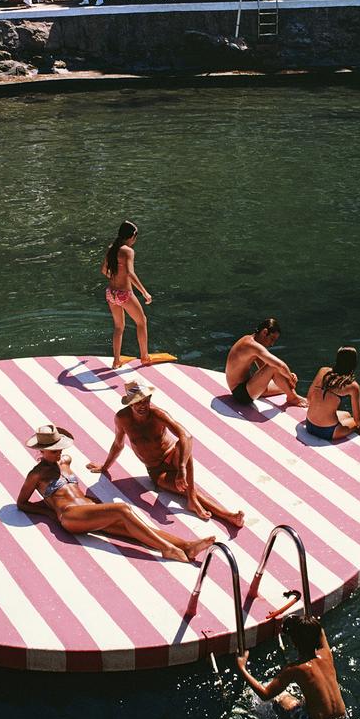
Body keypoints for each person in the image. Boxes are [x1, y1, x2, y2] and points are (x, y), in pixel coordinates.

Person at [16, 423, 216, 563]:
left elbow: (73, 489)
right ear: (41, 451)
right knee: (123, 509)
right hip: (70, 515)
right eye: (52, 450)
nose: (58, 453)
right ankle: (168, 549)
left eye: (58, 448)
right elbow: (22, 503)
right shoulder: (37, 474)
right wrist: (50, 513)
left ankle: (186, 546)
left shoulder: (66, 461)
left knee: (136, 528)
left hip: (89, 509)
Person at [87, 379, 244, 527]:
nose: (143, 405)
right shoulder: (122, 418)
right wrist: (105, 466)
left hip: (174, 458)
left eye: (146, 400)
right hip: (156, 470)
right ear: (130, 403)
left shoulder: (158, 415)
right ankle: (223, 513)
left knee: (183, 445)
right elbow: (118, 444)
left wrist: (181, 467)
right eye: (138, 402)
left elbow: (186, 436)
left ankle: (204, 504)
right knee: (187, 488)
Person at [236, 614, 347, 719]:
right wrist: (306, 622)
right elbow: (320, 631)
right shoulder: (326, 654)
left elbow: (265, 694)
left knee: (280, 697)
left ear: (294, 642)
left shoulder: (295, 669)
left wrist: (242, 668)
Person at [101, 220, 152, 367]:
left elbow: (104, 270)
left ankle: (116, 360)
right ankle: (144, 356)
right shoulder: (128, 251)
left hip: (111, 293)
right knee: (141, 322)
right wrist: (144, 292)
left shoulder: (112, 248)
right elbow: (130, 273)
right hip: (124, 294)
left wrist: (116, 277)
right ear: (132, 236)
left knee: (119, 327)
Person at [225, 317, 307, 407]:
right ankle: (293, 398)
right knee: (274, 366)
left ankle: (292, 395)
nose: (272, 344)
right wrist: (289, 378)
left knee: (285, 385)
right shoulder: (251, 345)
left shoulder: (252, 343)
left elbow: (264, 368)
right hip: (241, 393)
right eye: (272, 339)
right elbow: (279, 365)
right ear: (264, 332)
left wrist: (287, 377)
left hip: (247, 387)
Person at [305, 346, 360, 441]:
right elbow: (357, 419)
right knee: (359, 423)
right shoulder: (353, 386)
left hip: (309, 424)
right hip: (328, 432)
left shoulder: (323, 371)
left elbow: (309, 398)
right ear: (353, 363)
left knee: (346, 414)